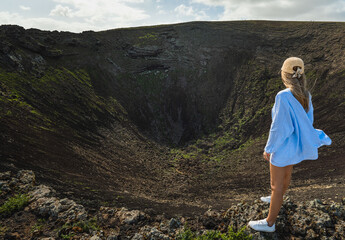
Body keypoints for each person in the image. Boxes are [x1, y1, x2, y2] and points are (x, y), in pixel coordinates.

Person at [248, 57, 332, 232]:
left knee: (275, 185)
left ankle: (270, 223)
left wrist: (269, 148)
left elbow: (278, 127)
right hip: (295, 145)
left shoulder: (283, 96)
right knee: (285, 179)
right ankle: (276, 198)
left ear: (285, 75)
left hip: (283, 146)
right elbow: (309, 121)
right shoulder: (306, 95)